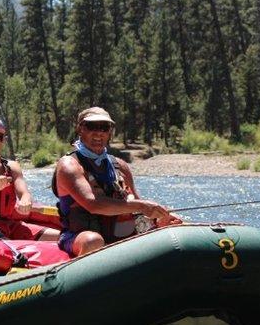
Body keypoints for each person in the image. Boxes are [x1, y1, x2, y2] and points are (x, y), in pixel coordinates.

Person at [53, 107, 180, 257]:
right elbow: (93, 204)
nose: (99, 132)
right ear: (80, 129)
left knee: (174, 225)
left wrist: (158, 220)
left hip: (117, 237)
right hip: (77, 237)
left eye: (104, 127)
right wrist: (142, 205)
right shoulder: (69, 165)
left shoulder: (120, 166)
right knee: (93, 241)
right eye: (92, 126)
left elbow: (138, 211)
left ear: (110, 132)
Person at [0, 117, 60, 241]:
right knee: (5, 244)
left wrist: (25, 201)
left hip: (9, 224)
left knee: (60, 238)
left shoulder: (12, 167)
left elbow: (24, 192)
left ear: (4, 140)